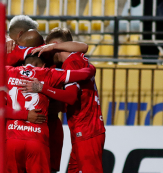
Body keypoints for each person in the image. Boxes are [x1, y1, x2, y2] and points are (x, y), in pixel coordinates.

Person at [0, 29, 88, 172]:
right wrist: (0, 35)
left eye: (18, 44)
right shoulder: (46, 68)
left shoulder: (43, 56)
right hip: (31, 133)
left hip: (40, 130)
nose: (15, 47)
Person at [22, 27, 106, 173]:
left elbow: (71, 97)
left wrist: (42, 88)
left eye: (48, 47)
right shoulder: (78, 59)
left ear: (54, 44)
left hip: (87, 130)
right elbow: (84, 47)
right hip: (84, 128)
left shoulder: (71, 64)